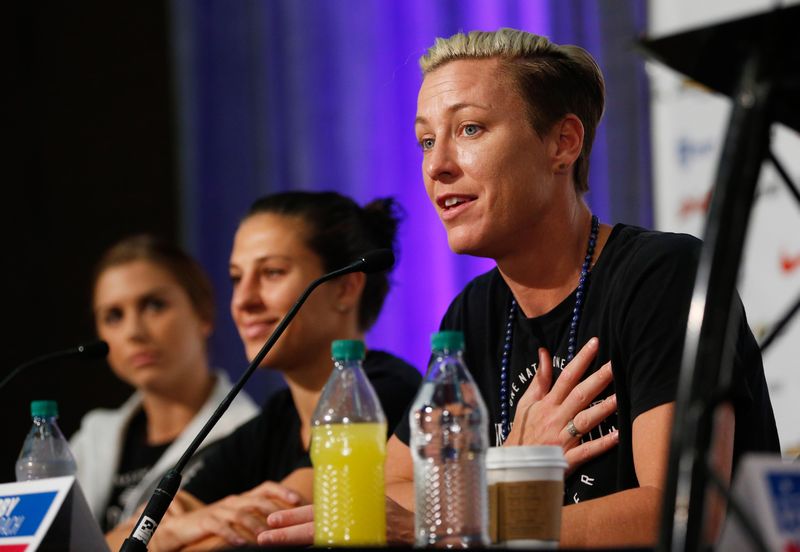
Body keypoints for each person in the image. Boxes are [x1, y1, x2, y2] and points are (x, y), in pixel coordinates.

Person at [257, 28, 780, 549]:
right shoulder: (475, 311)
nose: (437, 166)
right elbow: (386, 488)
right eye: (426, 140)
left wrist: (443, 528)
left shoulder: (660, 275)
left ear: (563, 143)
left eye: (469, 129)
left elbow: (679, 513)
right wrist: (507, 466)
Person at [107, 191, 422, 550]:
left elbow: (277, 523)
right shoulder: (273, 420)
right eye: (237, 278)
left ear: (346, 288)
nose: (244, 301)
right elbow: (117, 539)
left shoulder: (381, 392)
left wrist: (176, 534)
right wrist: (178, 529)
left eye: (272, 273)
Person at [69, 235, 258, 532]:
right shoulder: (90, 440)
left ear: (203, 314)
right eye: (113, 316)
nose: (134, 331)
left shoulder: (249, 436)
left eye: (154, 305)